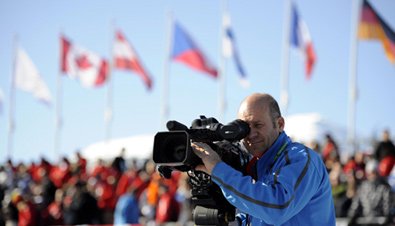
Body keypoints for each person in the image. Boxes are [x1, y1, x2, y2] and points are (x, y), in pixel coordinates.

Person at [192, 93, 336, 225]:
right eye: (245, 127)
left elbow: (278, 207)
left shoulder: (301, 158)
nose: (251, 134)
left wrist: (219, 170)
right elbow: (261, 216)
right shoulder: (259, 165)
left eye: (258, 125)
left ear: (279, 124)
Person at [347, 159, 392, 225]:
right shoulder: (363, 187)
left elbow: (387, 206)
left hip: (380, 223)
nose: (372, 176)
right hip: (365, 222)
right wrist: (351, 216)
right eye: (369, 173)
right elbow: (356, 204)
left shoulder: (385, 187)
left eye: (374, 173)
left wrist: (387, 217)